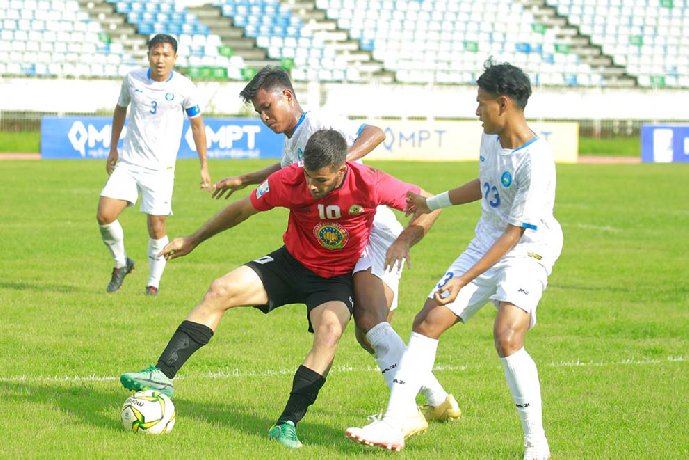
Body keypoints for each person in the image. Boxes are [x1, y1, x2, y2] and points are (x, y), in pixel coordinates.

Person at [119, 129, 442, 448]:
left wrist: (404, 240)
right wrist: (193, 239)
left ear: (342, 169)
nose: (313, 186)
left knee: (329, 331)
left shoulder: (369, 181)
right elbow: (240, 210)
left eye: (322, 180)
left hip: (335, 279)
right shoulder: (289, 179)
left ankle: (287, 424)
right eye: (309, 177)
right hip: (290, 265)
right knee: (221, 289)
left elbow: (431, 204)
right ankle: (161, 374)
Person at [211, 66, 460, 424]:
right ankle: (436, 399)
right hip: (349, 233)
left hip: (373, 231)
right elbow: (290, 170)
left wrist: (345, 164)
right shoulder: (295, 139)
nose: (265, 117)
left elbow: (376, 132)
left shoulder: (320, 123)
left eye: (267, 107)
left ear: (288, 97)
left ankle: (403, 414)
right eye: (259, 112)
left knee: (371, 322)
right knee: (368, 331)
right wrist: (246, 178)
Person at [345, 60, 563, 460]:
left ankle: (536, 444)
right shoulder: (492, 139)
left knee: (507, 335)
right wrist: (431, 201)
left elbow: (515, 232)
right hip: (486, 244)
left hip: (528, 249)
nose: (475, 110)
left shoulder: (537, 159)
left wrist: (463, 280)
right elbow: (486, 183)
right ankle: (396, 422)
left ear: (503, 103)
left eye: (481, 103)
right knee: (427, 322)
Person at [96, 34, 212, 296]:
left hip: (160, 169)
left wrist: (203, 166)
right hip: (129, 162)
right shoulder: (133, 79)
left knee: (156, 226)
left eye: (166, 55)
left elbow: (197, 126)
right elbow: (120, 110)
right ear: (148, 55)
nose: (160, 60)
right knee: (104, 214)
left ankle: (153, 284)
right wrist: (113, 147)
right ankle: (121, 263)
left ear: (175, 58)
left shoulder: (185, 87)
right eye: (156, 54)